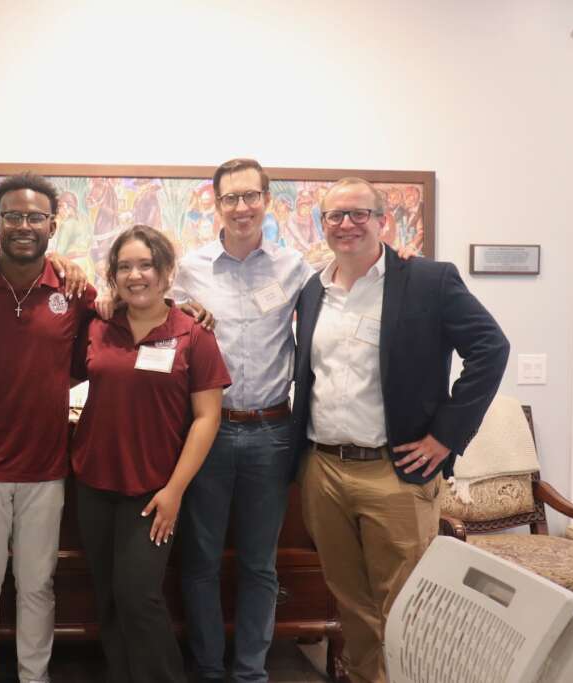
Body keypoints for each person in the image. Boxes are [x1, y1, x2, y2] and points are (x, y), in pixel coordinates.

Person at [291, 176, 509, 683]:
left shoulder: (429, 281)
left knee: (407, 604)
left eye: (358, 213)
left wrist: (446, 436)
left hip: (394, 474)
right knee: (350, 604)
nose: (346, 224)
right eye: (334, 216)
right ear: (321, 225)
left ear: (382, 220)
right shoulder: (311, 290)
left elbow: (490, 349)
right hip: (323, 470)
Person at [0, 172, 97, 683]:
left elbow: (94, 354)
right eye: (13, 216)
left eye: (35, 217)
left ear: (53, 224)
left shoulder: (75, 291)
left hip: (46, 465)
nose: (24, 225)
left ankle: (36, 677)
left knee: (37, 586)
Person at [172, 158, 313, 683]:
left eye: (251, 196)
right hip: (206, 432)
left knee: (261, 565)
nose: (241, 207)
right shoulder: (188, 270)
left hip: (273, 433)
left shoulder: (294, 269)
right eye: (230, 197)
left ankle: (251, 671)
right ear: (215, 202)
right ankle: (209, 669)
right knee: (201, 561)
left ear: (266, 200)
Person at [71, 224, 229, 683]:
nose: (135, 275)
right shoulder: (99, 325)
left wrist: (175, 490)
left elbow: (207, 418)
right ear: (113, 275)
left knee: (139, 596)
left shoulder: (192, 334)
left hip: (154, 490)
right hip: (94, 483)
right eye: (124, 266)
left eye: (146, 265)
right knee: (109, 598)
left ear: (165, 272)